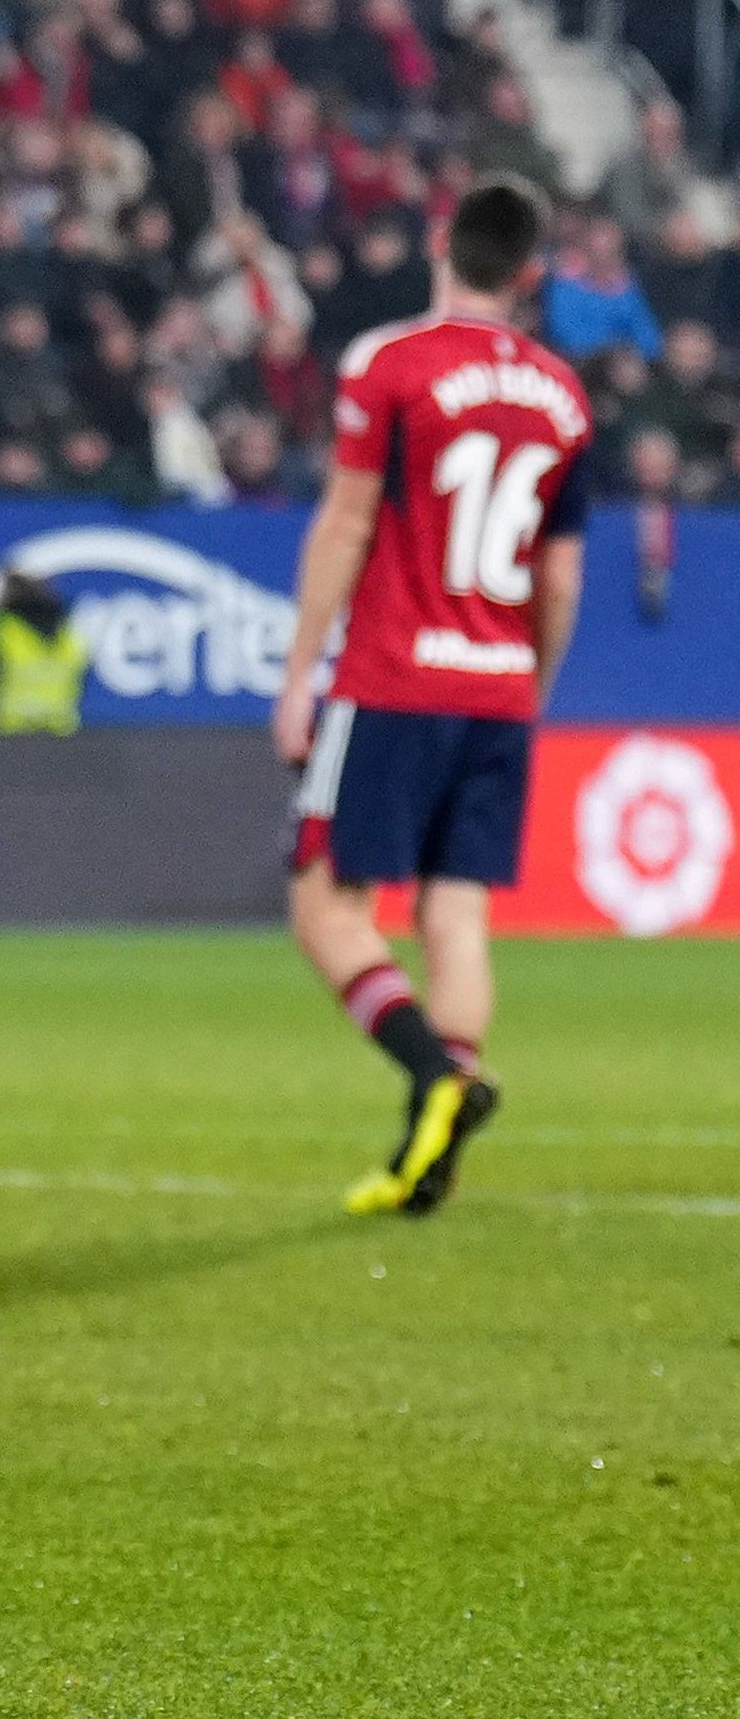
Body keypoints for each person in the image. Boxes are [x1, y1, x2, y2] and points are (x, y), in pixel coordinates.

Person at [275, 178, 589, 1218]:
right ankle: (433, 1159)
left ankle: (435, 1074)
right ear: (531, 274)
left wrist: (296, 673)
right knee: (455, 914)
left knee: (325, 902)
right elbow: (558, 575)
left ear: (437, 244)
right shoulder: (564, 395)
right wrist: (530, 686)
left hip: (396, 677)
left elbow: (346, 522)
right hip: (497, 690)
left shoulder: (389, 363)